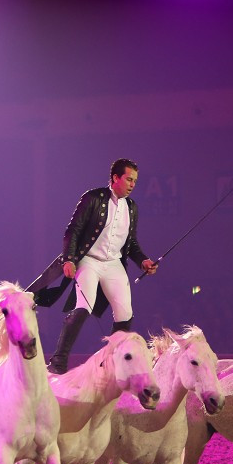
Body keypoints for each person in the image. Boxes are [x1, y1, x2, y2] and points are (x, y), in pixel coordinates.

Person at [28, 158, 158, 374]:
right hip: (88, 260)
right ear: (115, 178)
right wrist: (69, 259)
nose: (133, 184)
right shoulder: (93, 198)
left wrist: (143, 261)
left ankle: (115, 364)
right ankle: (58, 361)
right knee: (83, 307)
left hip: (114, 264)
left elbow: (131, 242)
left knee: (125, 313)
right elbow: (74, 230)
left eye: (135, 180)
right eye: (129, 179)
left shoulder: (132, 208)